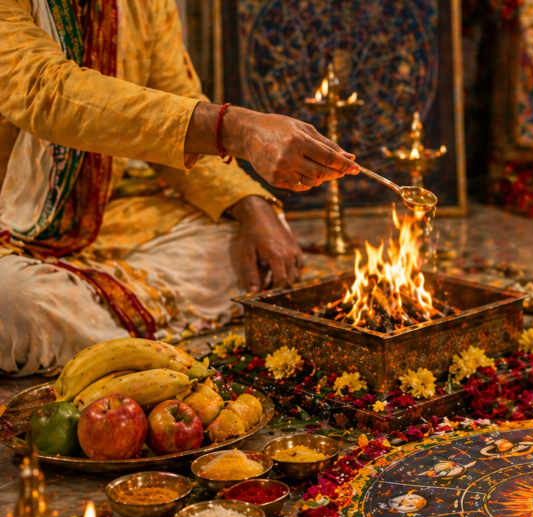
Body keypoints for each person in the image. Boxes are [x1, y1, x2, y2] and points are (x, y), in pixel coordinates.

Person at [0, 0, 359, 375]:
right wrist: (237, 129)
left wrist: (252, 205)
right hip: (11, 227)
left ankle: (92, 327)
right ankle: (104, 327)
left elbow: (179, 112)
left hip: (116, 217)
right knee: (14, 303)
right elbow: (46, 90)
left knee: (254, 243)